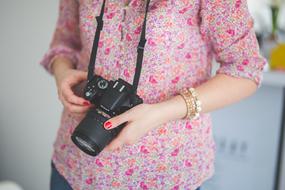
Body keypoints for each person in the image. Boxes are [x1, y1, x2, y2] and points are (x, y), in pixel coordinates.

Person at [40, 0, 266, 189]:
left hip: (165, 173)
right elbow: (65, 41)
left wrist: (161, 112)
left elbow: (246, 69)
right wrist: (63, 74)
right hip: (76, 162)